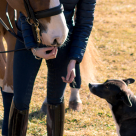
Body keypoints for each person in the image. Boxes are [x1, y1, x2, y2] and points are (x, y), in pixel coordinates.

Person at [2, 0, 96, 135]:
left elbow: (84, 23)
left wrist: (73, 60)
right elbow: (24, 10)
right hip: (28, 40)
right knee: (20, 100)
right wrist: (33, 47)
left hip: (62, 41)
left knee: (56, 99)